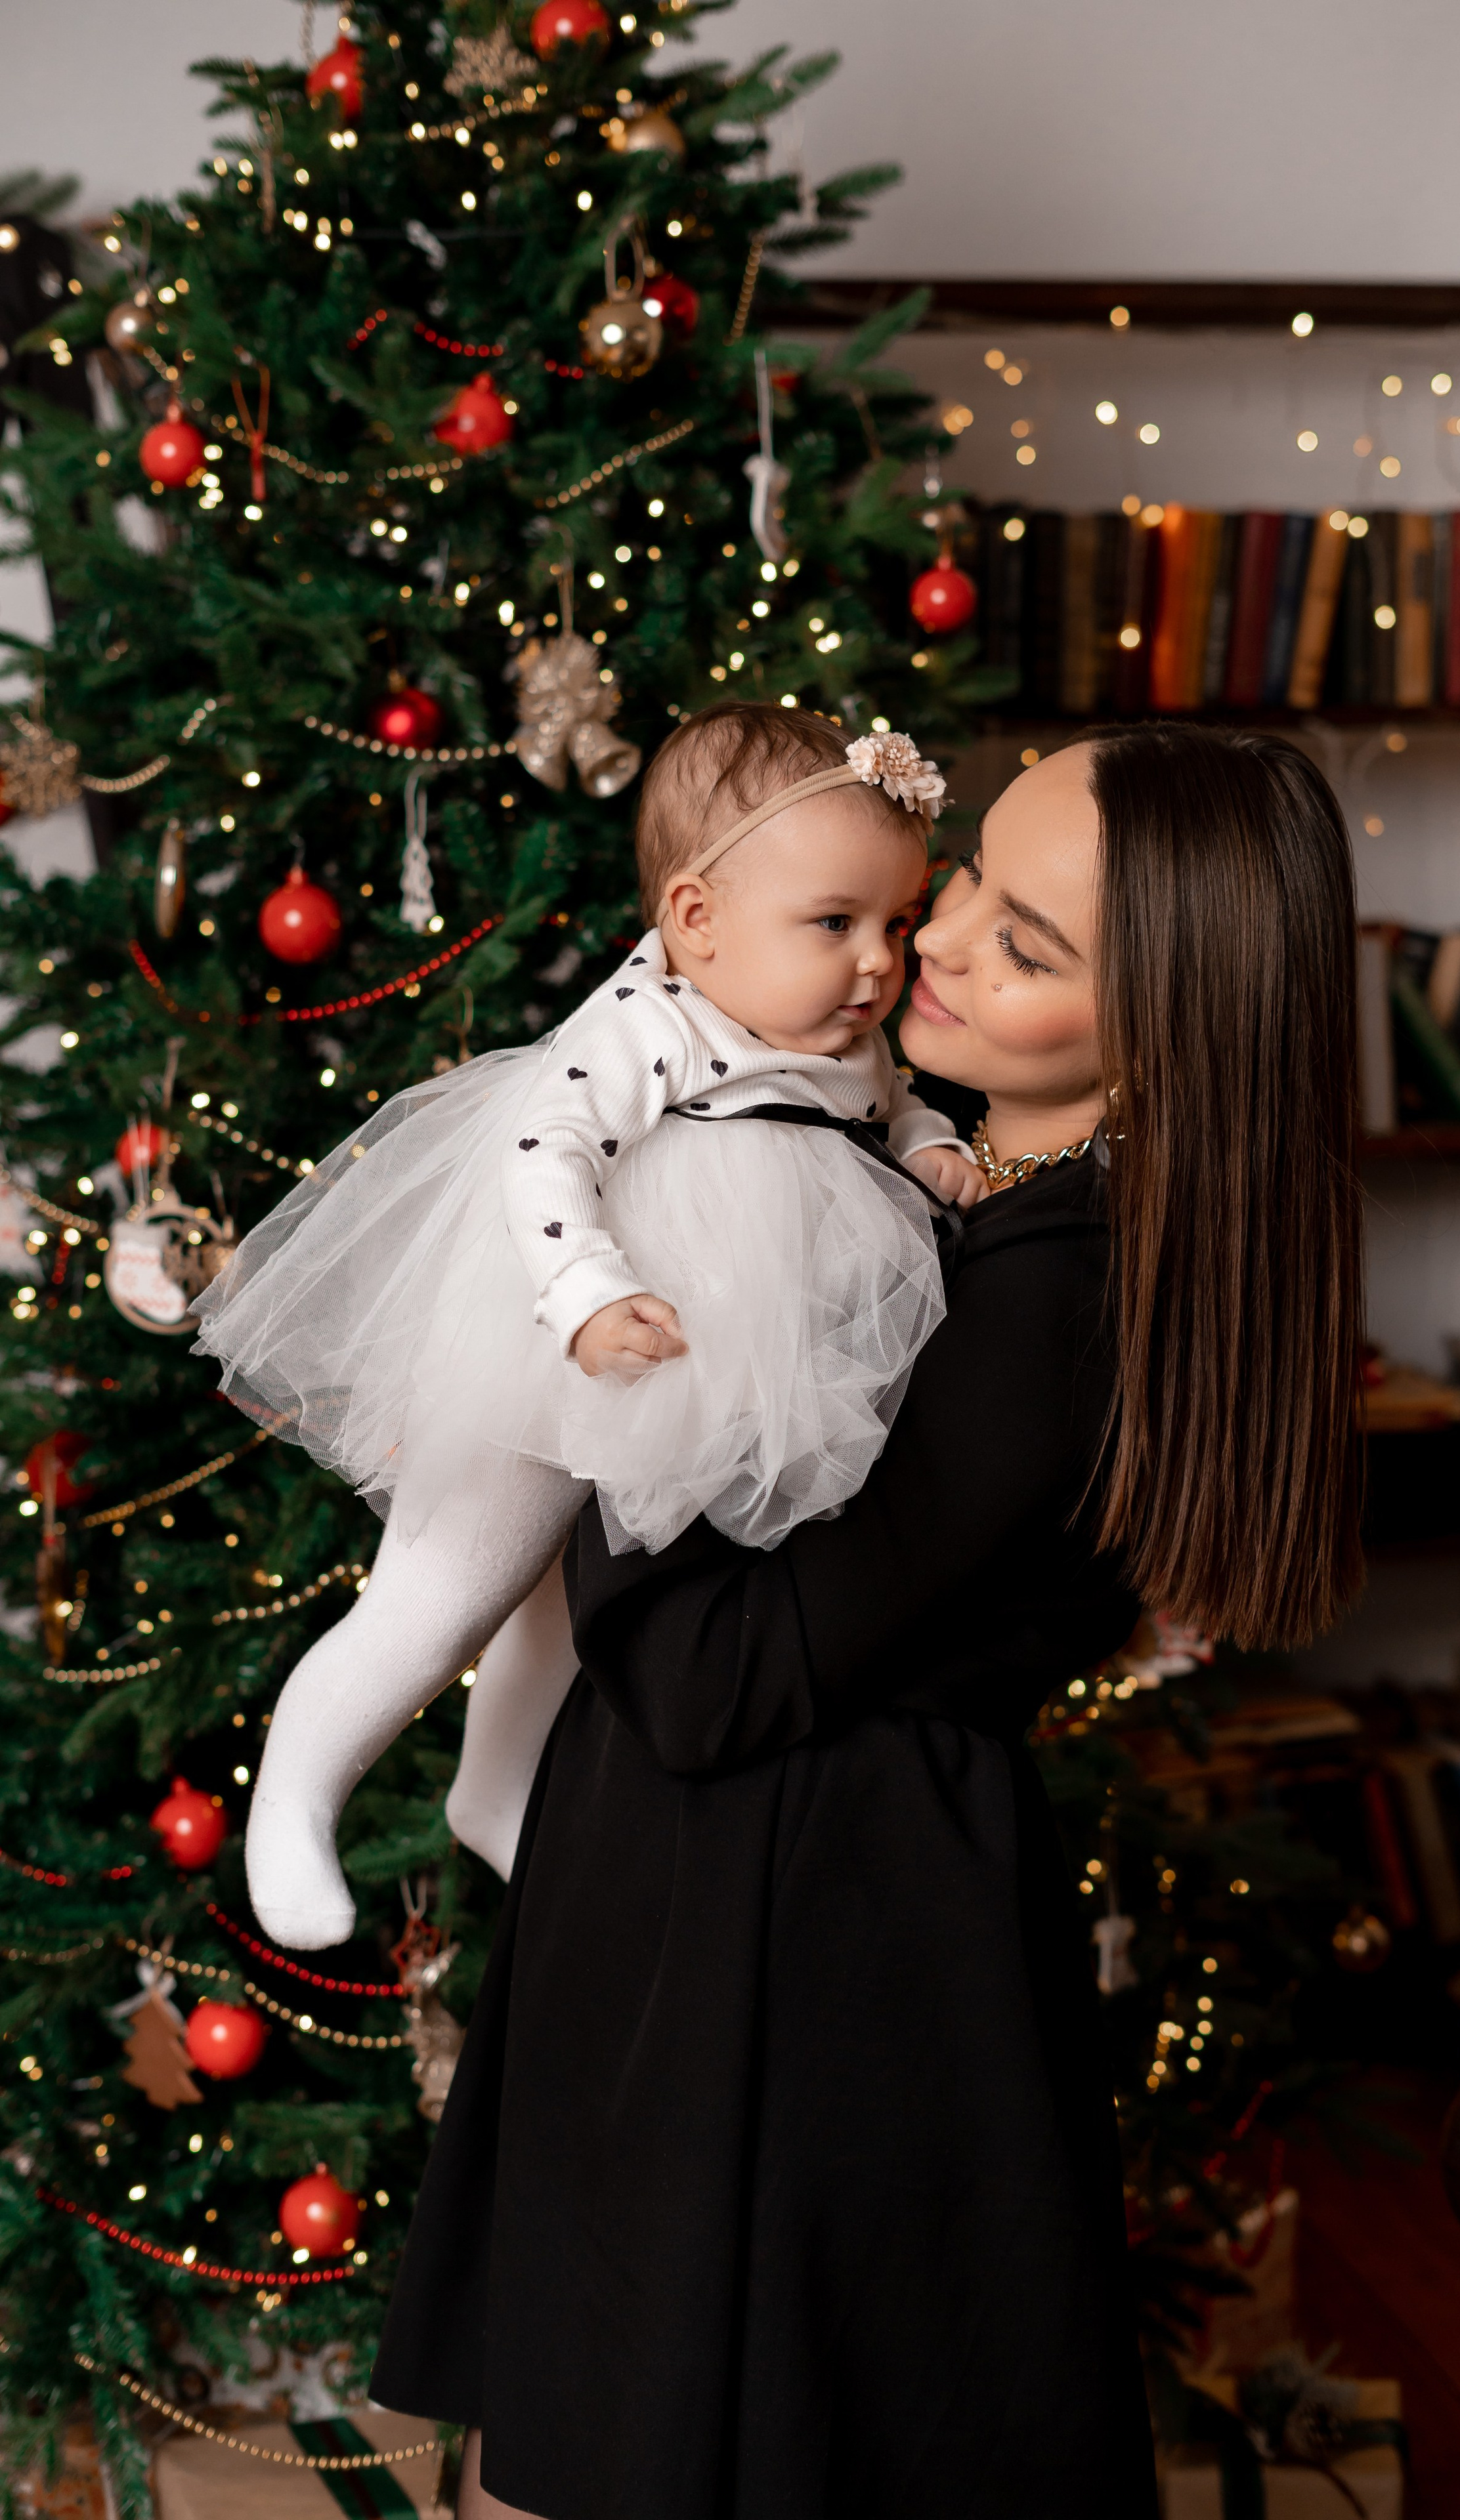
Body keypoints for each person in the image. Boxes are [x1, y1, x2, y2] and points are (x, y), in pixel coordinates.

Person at [370, 723, 1365, 2520]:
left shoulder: (1062, 1288)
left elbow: (704, 1671)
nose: (936, 942)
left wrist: (588, 1399)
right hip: (742, 1899)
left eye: (1029, 948)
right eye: (972, 874)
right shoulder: (953, 1188)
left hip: (808, 1941)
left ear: (1178, 1029)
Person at [192, 706, 982, 1950]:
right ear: (695, 920)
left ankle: (495, 1793)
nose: (879, 963)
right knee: (458, 1579)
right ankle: (298, 1786)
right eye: (834, 924)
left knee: (569, 1604)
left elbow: (891, 1108)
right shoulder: (649, 1023)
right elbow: (539, 1151)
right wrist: (585, 1299)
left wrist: (933, 1146)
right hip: (559, 1326)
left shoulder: (842, 1032)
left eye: (894, 923)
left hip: (688, 1359)